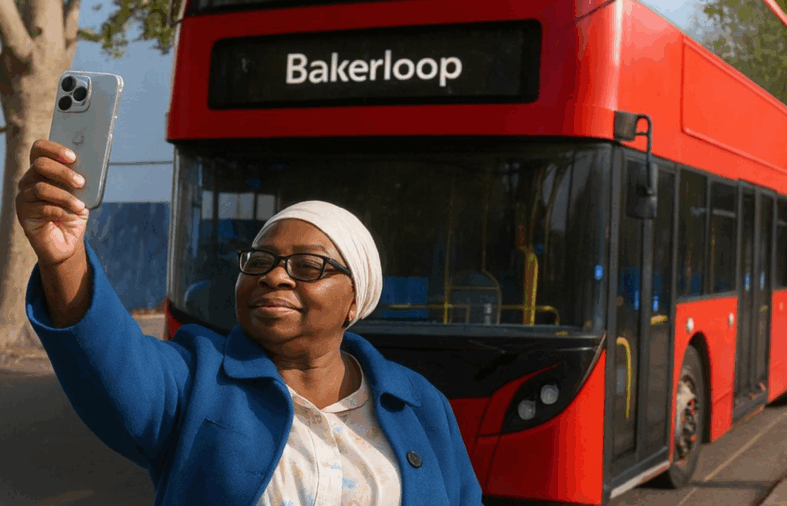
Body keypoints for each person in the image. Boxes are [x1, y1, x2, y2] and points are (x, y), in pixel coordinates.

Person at [17, 139, 484, 506]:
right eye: (260, 261)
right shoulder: (197, 379)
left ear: (354, 301)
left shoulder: (420, 404)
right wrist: (65, 259)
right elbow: (111, 361)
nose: (275, 276)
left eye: (308, 266)